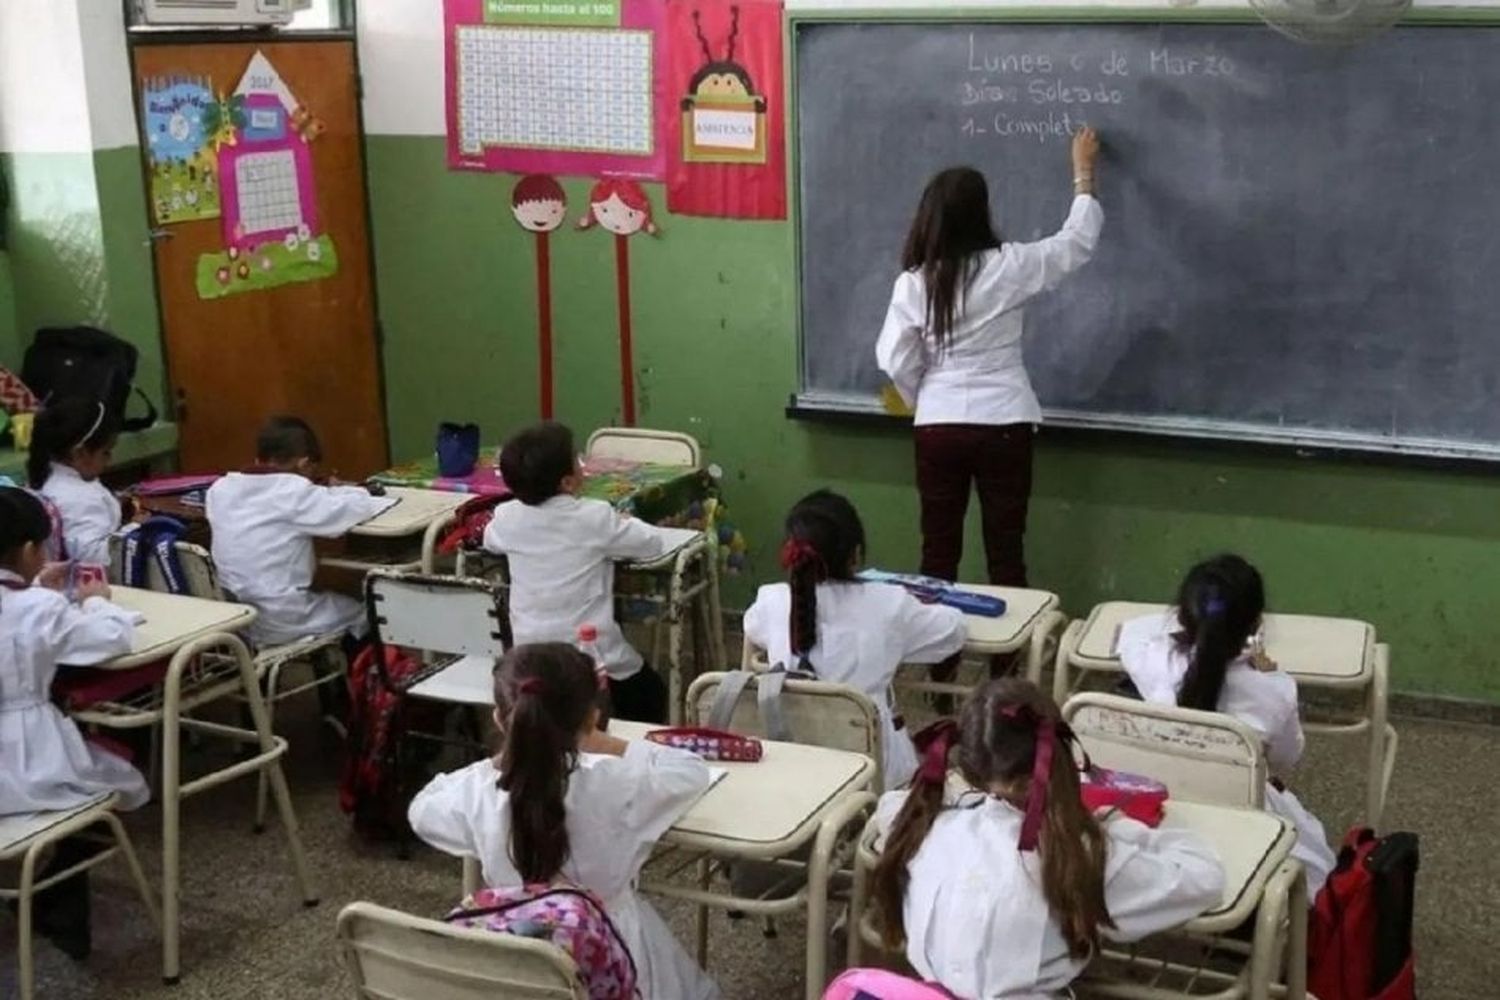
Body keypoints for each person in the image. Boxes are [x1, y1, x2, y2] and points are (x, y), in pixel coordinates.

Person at [872, 678, 1224, 998]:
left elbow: (889, 806)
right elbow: (1205, 877)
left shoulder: (925, 826)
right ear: (1060, 754)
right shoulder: (1080, 854)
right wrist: (1116, 826)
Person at [409, 644, 720, 1000]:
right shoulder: (617, 784)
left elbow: (422, 810)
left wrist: (502, 759)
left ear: (499, 718)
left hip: (516, 960)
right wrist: (608, 744)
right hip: (610, 950)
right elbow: (690, 771)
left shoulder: (477, 792)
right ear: (591, 718)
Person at [876, 127, 1104, 588]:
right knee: (1006, 551)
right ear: (982, 214)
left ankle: (940, 658)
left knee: (937, 552)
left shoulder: (914, 283)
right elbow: (1075, 243)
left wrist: (924, 395)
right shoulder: (1009, 267)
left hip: (938, 427)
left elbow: (895, 358)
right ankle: (1008, 661)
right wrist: (1084, 174)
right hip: (1004, 421)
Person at [1116, 554, 1337, 896]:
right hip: (1240, 815)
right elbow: (1286, 760)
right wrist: (1261, 666)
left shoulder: (1152, 661)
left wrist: (1193, 625)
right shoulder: (1273, 690)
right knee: (1313, 849)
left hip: (1158, 808)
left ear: (1182, 615)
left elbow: (1133, 631)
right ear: (1256, 624)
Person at [0, 487, 148, 959]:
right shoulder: (38, 609)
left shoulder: (29, 602)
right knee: (124, 783)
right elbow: (110, 639)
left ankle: (43, 900)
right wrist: (95, 600)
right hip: (29, 761)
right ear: (29, 552)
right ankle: (57, 907)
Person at [743, 489, 966, 789]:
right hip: (875, 776)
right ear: (856, 554)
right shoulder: (889, 604)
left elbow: (752, 627)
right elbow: (952, 632)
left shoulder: (771, 600)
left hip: (792, 768)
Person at [483, 422, 679, 723]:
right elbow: (651, 544)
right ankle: (629, 752)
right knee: (650, 693)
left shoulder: (507, 517)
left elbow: (490, 539)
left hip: (528, 655)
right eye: (578, 461)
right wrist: (625, 521)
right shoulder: (594, 516)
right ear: (568, 483)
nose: (582, 466)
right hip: (591, 653)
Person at [204, 416, 394, 648]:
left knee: (332, 603)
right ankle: (359, 680)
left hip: (236, 619)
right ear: (304, 465)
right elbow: (357, 508)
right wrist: (346, 490)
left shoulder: (220, 489)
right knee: (367, 614)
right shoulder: (293, 492)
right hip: (281, 619)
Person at [27, 396, 123, 568]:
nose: (110, 460)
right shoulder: (81, 498)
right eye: (106, 452)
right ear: (79, 454)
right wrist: (133, 534)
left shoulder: (47, 478)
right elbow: (92, 557)